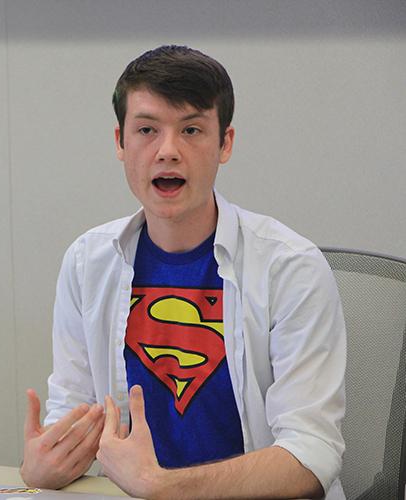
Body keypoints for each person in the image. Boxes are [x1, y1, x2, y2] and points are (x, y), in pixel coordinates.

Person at [21, 45, 346, 499]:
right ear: (120, 142)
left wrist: (165, 487)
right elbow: (73, 414)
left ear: (225, 143)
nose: (167, 151)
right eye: (147, 130)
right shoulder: (86, 262)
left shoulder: (291, 267)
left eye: (191, 129)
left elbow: (312, 453)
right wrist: (42, 464)